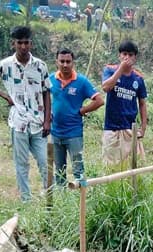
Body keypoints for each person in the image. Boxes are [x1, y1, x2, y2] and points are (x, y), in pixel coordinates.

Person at [0, 26, 52, 202]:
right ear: (13, 43)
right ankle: (26, 201)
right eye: (19, 43)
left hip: (38, 122)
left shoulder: (40, 66)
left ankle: (50, 198)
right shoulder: (5, 65)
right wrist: (6, 96)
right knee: (22, 164)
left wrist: (47, 121)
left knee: (45, 163)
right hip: (18, 122)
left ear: (31, 44)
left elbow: (46, 92)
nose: (23, 46)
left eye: (26, 42)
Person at [49, 49, 104, 188]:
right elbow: (40, 97)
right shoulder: (50, 79)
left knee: (78, 169)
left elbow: (99, 101)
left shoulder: (81, 81)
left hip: (74, 133)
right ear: (57, 62)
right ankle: (62, 199)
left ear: (73, 63)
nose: (65, 64)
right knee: (59, 170)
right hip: (55, 132)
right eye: (62, 61)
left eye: (68, 61)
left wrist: (82, 110)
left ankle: (81, 201)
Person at [101, 40, 148, 166]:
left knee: (132, 165)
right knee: (110, 166)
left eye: (130, 55)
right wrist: (120, 70)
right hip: (111, 127)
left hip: (130, 128)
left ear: (135, 57)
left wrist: (143, 128)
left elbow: (142, 103)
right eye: (124, 54)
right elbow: (105, 87)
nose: (127, 57)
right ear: (119, 55)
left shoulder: (138, 78)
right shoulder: (109, 70)